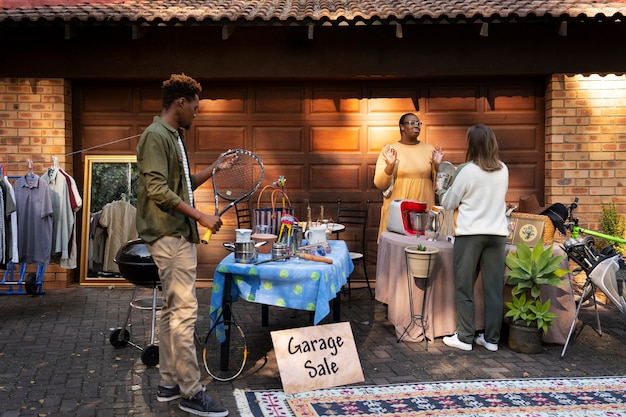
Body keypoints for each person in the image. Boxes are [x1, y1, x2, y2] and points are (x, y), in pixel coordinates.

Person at [136, 73, 229, 417]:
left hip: (175, 233)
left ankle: (168, 383)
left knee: (171, 310)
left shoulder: (171, 136)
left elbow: (182, 184)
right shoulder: (156, 137)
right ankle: (191, 391)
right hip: (169, 234)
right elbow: (159, 191)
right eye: (194, 107)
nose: (196, 113)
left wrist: (215, 169)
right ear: (180, 102)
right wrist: (202, 217)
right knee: (185, 313)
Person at [438, 124, 509, 352]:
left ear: (472, 144)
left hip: (470, 235)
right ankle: (492, 339)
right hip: (497, 234)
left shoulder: (467, 170)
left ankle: (465, 337)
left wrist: (441, 190)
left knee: (465, 287)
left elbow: (449, 203)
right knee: (493, 289)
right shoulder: (503, 169)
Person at [373, 113, 444, 241]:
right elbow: (379, 184)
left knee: (422, 251)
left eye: (418, 123)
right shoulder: (389, 150)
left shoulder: (429, 150)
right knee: (396, 251)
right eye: (412, 123)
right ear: (402, 127)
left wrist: (438, 166)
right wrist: (390, 165)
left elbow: (439, 186)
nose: (416, 126)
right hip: (398, 212)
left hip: (423, 212)